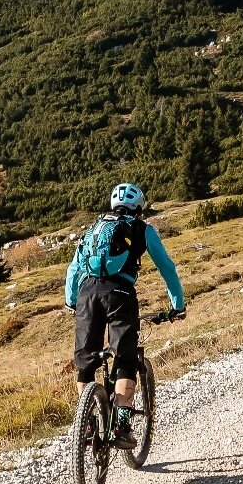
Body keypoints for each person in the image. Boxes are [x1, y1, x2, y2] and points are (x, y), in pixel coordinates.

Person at [66, 182, 185, 449]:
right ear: (139, 207)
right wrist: (177, 305)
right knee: (125, 359)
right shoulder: (143, 229)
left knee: (86, 363)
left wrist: (72, 301)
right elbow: (167, 267)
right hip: (120, 294)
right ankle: (121, 426)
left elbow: (74, 268)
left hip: (87, 294)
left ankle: (86, 425)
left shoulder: (94, 228)